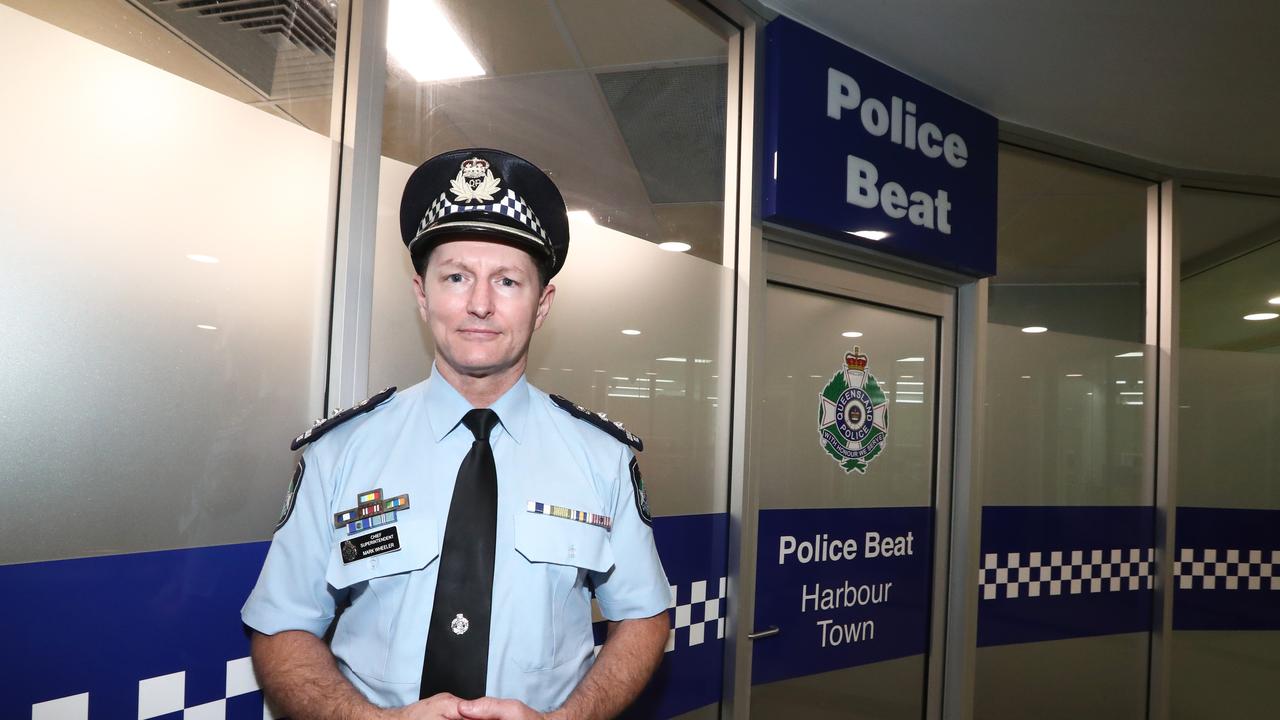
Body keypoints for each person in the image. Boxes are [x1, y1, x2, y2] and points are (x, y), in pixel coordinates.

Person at [241, 148, 671, 720]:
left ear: (542, 305)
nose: (480, 305)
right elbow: (283, 623)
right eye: (456, 277)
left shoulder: (601, 458)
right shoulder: (340, 453)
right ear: (422, 295)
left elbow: (643, 615)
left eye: (508, 281)